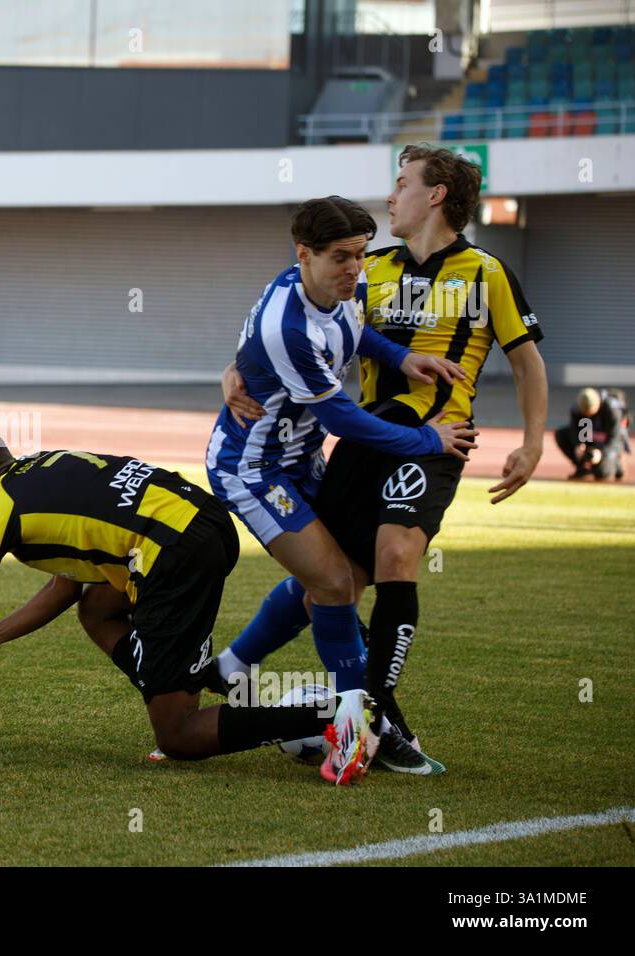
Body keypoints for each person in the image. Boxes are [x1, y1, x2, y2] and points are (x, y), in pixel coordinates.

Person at [222, 144, 548, 771]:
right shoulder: (368, 269)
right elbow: (301, 325)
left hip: (435, 439)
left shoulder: (487, 273)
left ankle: (376, 716)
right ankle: (233, 671)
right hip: (365, 436)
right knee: (328, 585)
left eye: (401, 184)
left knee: (396, 555)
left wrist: (532, 444)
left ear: (436, 195)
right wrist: (231, 370)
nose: (391, 196)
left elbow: (526, 359)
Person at [0, 432, 381, 786]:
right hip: (202, 521)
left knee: (180, 738)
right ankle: (185, 678)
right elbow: (69, 586)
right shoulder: (50, 463)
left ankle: (331, 712)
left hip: (172, 553)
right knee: (99, 610)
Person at [204, 195, 473, 777]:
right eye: (342, 258)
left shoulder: (334, 291)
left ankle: (231, 668)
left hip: (299, 460)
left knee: (336, 579)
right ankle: (359, 730)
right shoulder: (289, 326)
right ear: (304, 254)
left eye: (362, 255)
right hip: (253, 469)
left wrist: (403, 359)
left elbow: (357, 332)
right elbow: (344, 420)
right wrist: (430, 441)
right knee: (331, 582)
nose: (357, 269)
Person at [555, 387, 629, 481]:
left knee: (602, 473)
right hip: (589, 439)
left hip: (608, 443)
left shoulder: (612, 410)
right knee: (561, 435)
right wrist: (578, 444)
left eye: (591, 413)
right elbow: (575, 430)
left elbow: (615, 437)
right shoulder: (577, 409)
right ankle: (582, 467)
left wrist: (602, 453)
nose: (588, 416)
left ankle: (616, 464)